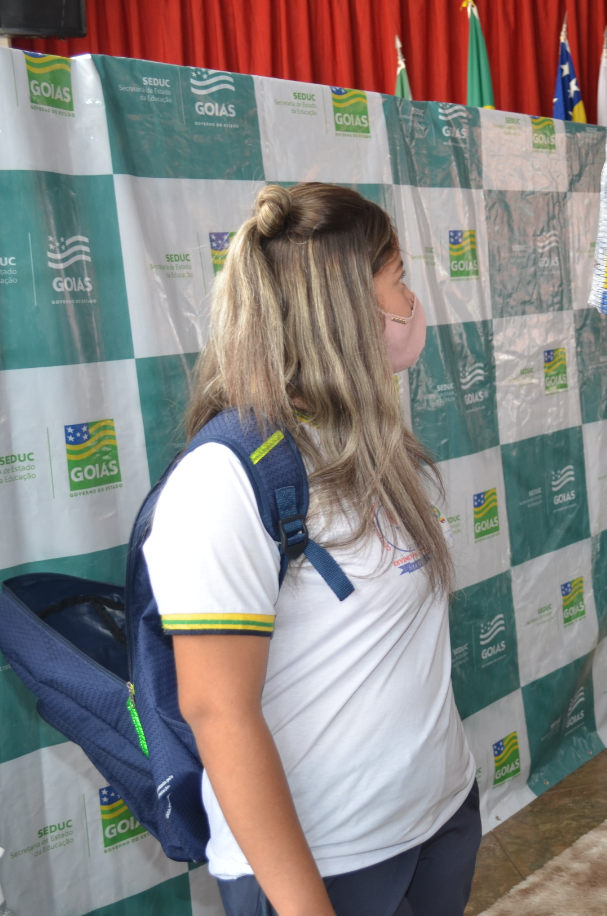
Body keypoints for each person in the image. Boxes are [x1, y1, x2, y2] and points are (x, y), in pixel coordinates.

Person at [144, 184, 479, 916]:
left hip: (438, 821)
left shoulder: (375, 444)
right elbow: (217, 711)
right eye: (398, 279)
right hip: (326, 866)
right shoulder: (225, 479)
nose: (412, 301)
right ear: (346, 305)